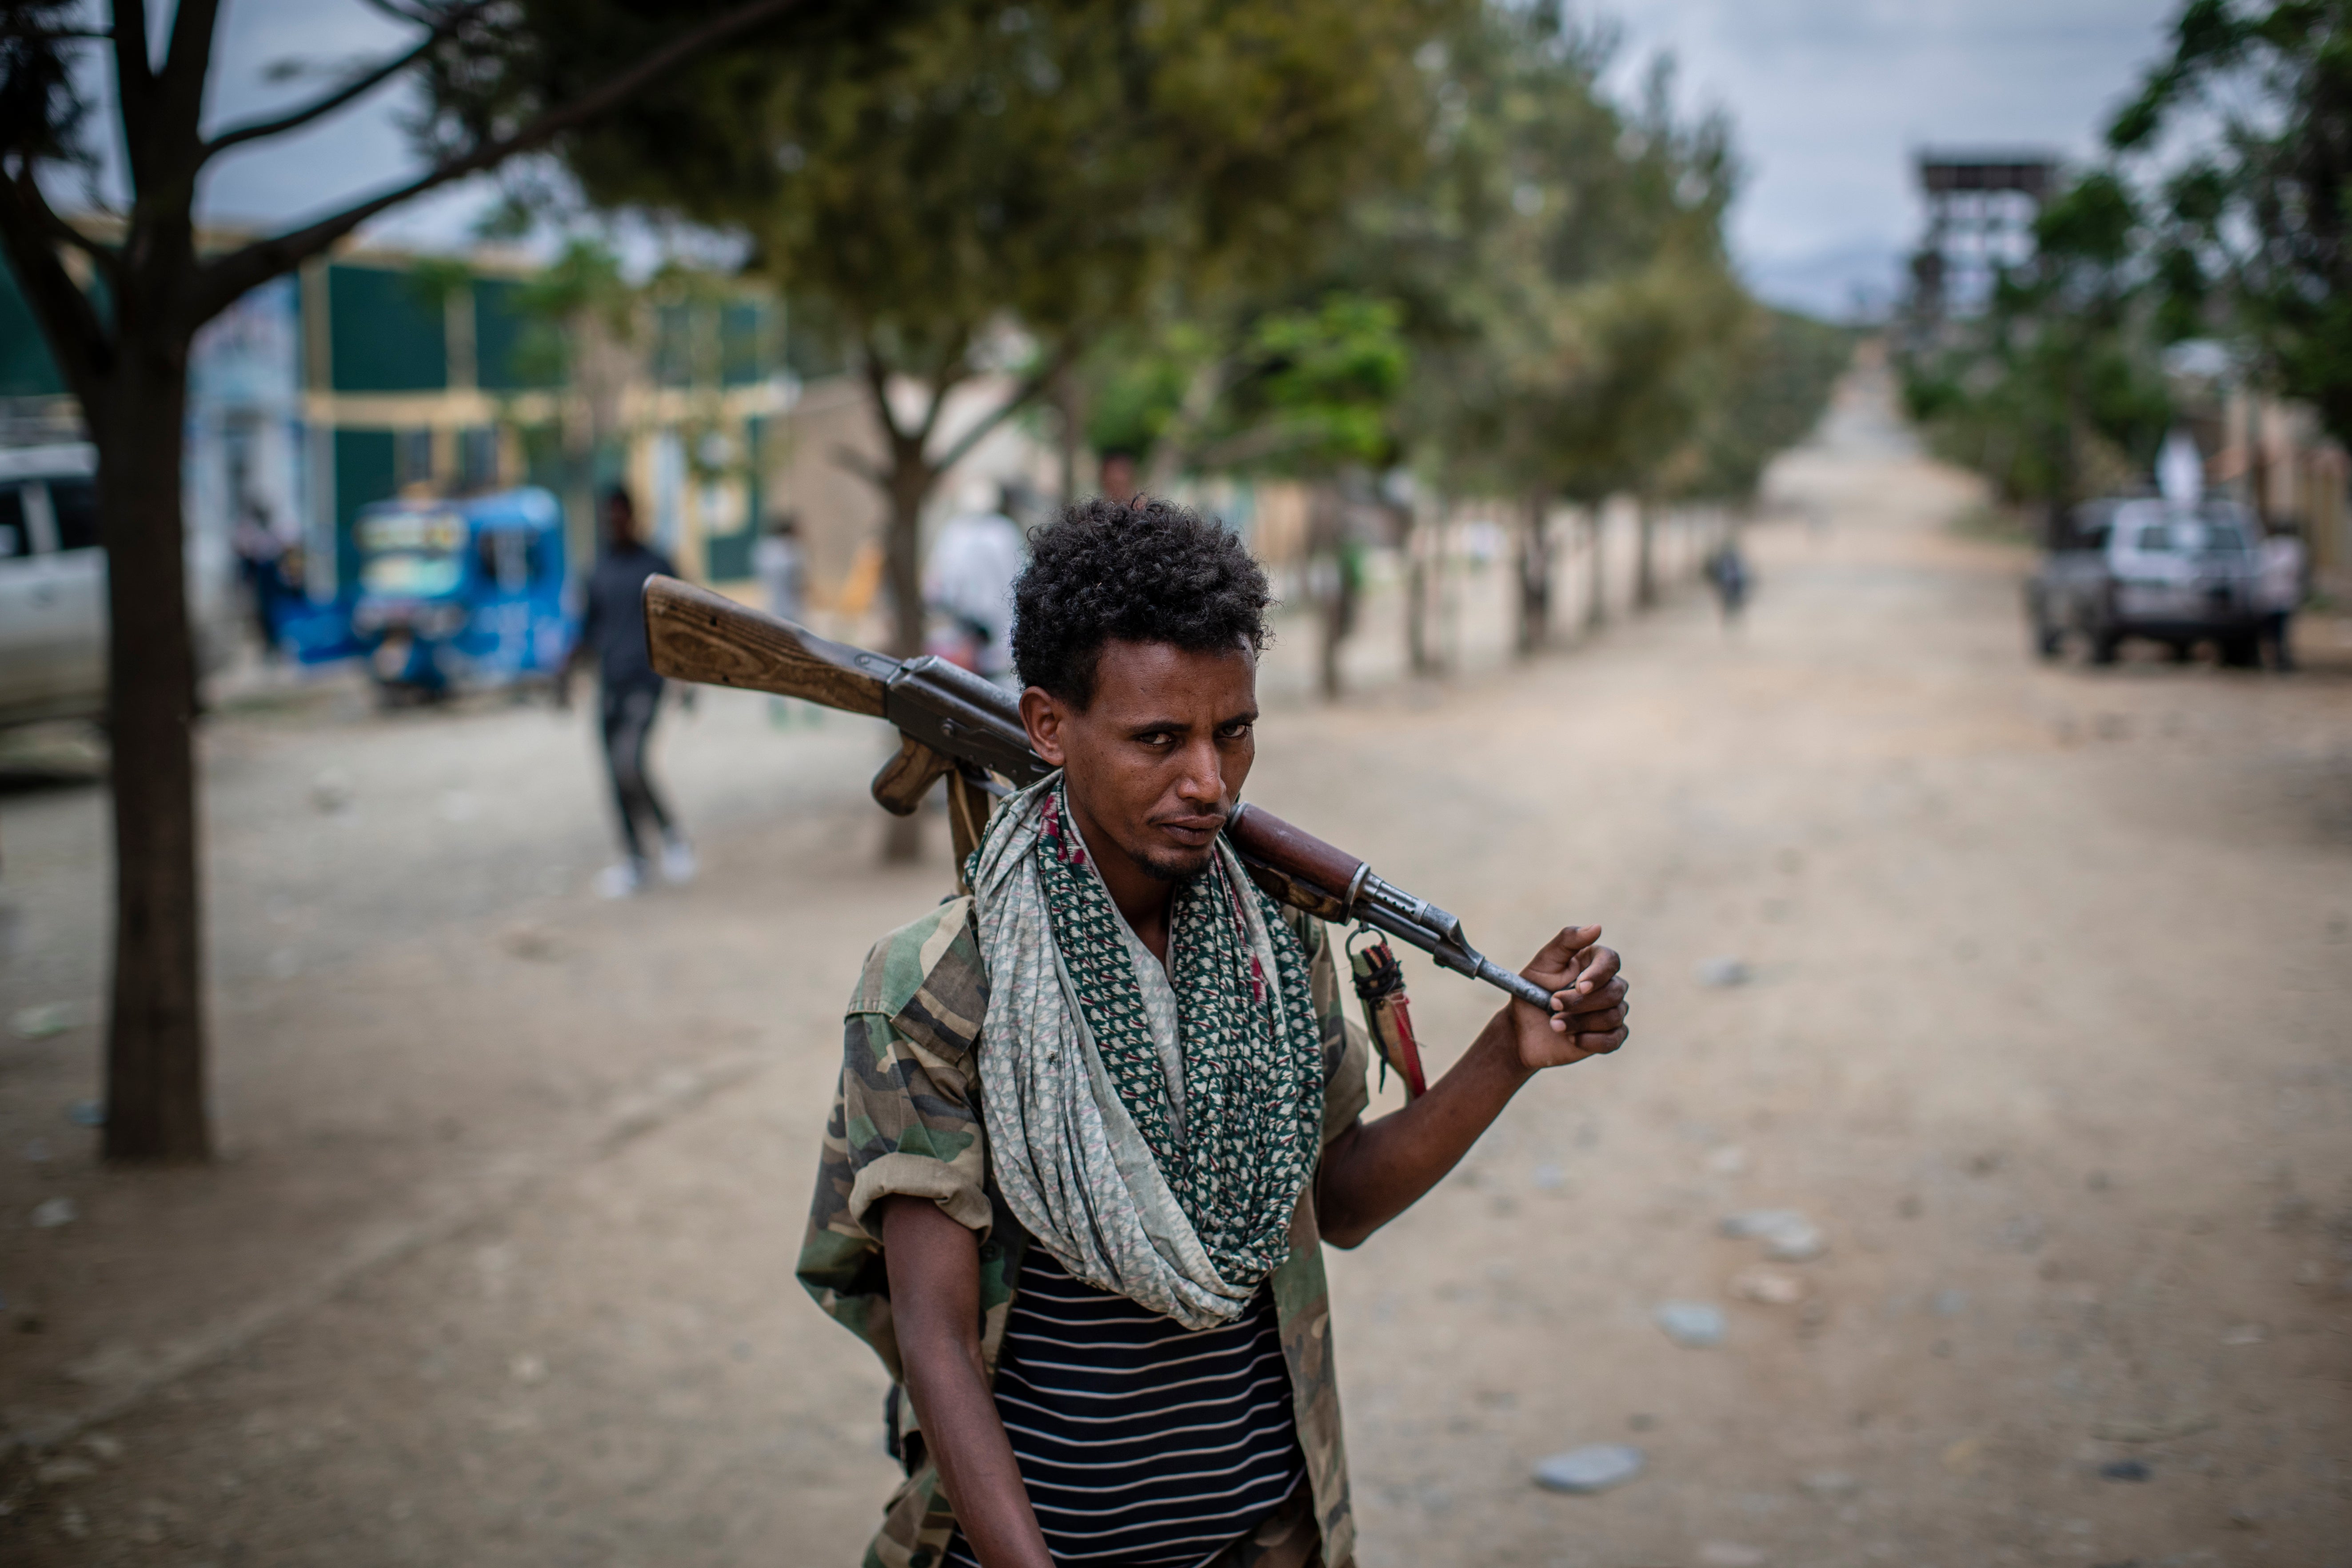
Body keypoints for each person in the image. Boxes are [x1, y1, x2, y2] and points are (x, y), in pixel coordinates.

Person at [798, 496, 1632, 1568]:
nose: (1208, 782)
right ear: (1048, 726)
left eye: (1233, 733)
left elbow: (1334, 1202)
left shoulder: (1271, 937)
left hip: (1265, 1538)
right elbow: (937, 1335)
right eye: (1159, 740)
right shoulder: (941, 984)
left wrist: (1509, 1051)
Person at [576, 485, 693, 898]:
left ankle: (672, 837)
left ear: (632, 515)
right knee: (613, 773)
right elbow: (586, 628)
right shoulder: (598, 569)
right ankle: (635, 860)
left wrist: (690, 680)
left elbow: (684, 626)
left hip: (647, 682)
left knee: (629, 762)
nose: (615, 522)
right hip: (610, 685)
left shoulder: (656, 566)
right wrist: (564, 674)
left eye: (620, 514)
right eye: (608, 516)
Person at [923, 481, 1026, 682]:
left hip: (973, 645)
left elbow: (935, 591)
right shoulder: (1005, 532)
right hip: (999, 652)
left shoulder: (954, 533)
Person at [2255, 521, 2306, 672]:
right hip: (2274, 598)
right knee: (2276, 632)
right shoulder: (2293, 548)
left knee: (2277, 632)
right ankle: (2277, 660)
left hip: (2279, 598)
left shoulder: (2270, 548)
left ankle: (2279, 660)